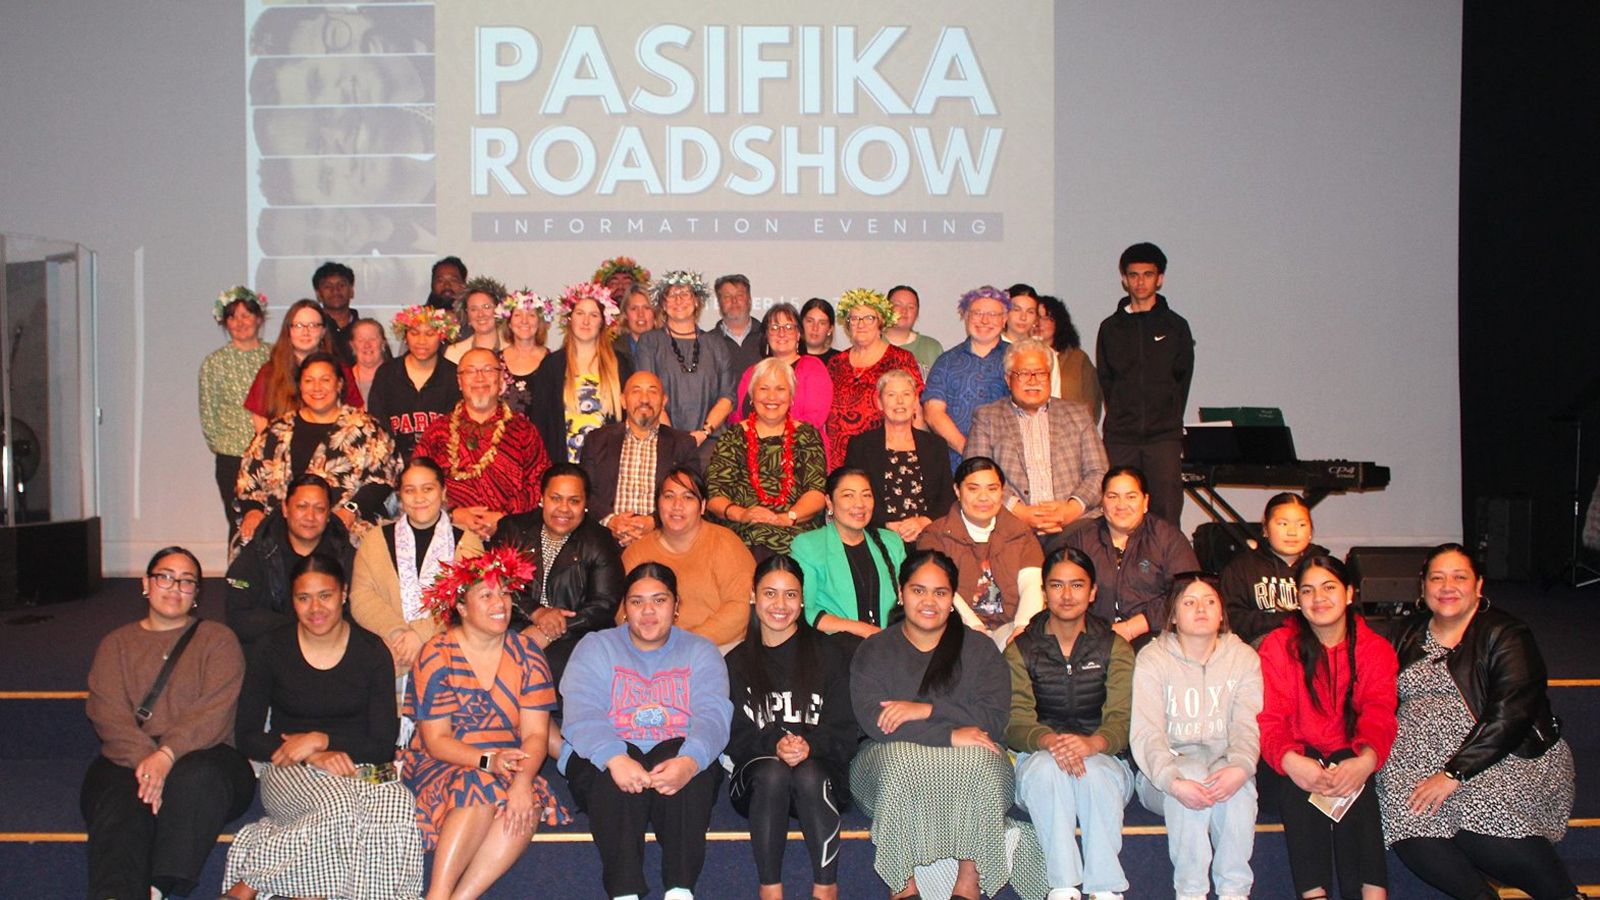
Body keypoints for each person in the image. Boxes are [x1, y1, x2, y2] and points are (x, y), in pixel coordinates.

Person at [1378, 544, 1579, 900]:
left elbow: (1511, 714)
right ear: (1422, 588)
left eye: (1460, 577)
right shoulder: (1404, 633)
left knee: (1479, 817)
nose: (1447, 587)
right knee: (1404, 813)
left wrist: (1453, 774)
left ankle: (1562, 895)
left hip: (1502, 752)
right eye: (1437, 578)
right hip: (1415, 754)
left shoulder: (1506, 633)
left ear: (1479, 585)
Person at [222, 555, 421, 900]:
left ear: (343, 595)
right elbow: (248, 736)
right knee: (340, 807)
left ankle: (271, 870)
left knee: (397, 806)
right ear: (292, 601)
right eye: (303, 598)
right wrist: (311, 756)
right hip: (289, 766)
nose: (316, 608)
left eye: (325, 595)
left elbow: (382, 744)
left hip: (363, 765)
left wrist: (321, 740)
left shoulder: (372, 651)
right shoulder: (271, 649)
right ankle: (248, 884)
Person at [81, 547, 255, 900]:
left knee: (197, 779)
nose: (175, 587)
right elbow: (107, 712)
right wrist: (149, 760)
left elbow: (215, 711)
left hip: (208, 754)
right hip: (131, 754)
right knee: (119, 794)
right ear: (146, 584)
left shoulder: (218, 640)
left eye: (187, 581)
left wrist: (168, 755)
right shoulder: (116, 644)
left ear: (197, 594)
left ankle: (156, 889)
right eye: (165, 577)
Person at [559, 562, 734, 900]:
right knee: (614, 774)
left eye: (659, 600)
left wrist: (690, 760)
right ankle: (625, 894)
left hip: (675, 754)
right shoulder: (596, 646)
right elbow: (581, 711)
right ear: (624, 607)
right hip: (607, 756)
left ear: (677, 606)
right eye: (637, 601)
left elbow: (713, 715)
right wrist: (614, 757)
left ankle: (680, 890)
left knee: (684, 760)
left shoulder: (702, 651)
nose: (648, 611)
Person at [400, 546, 565, 900]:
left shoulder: (528, 654)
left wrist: (523, 783)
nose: (500, 603)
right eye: (486, 594)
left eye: (505, 593)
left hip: (511, 761)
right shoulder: (436, 654)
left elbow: (536, 734)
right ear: (460, 607)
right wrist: (490, 760)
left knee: (526, 803)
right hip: (442, 762)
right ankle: (438, 894)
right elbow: (437, 741)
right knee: (482, 782)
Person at [850, 549, 1014, 900]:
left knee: (982, 758)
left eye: (940, 593)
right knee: (900, 761)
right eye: (918, 590)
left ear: (952, 598)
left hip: (968, 766)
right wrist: (950, 733)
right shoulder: (875, 650)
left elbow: (995, 720)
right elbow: (878, 724)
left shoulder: (980, 649)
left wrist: (925, 710)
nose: (929, 601)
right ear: (901, 592)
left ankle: (968, 882)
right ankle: (903, 885)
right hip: (882, 763)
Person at [1257, 556, 1397, 900]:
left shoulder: (1375, 649)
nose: (1318, 598)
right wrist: (1291, 760)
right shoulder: (1278, 645)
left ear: (1349, 593)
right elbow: (1269, 719)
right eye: (1308, 590)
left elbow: (1379, 714)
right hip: (1285, 766)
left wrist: (1365, 762)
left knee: (1354, 775)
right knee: (1301, 781)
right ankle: (1314, 895)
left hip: (1349, 757)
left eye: (1329, 587)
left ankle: (1371, 894)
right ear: (1298, 600)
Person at [725, 555, 858, 900]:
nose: (779, 605)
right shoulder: (736, 663)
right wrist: (776, 744)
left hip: (820, 779)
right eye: (770, 594)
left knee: (807, 773)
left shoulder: (830, 653)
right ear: (753, 596)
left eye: (790, 595)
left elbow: (846, 728)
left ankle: (825, 888)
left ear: (802, 600)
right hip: (759, 784)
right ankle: (770, 889)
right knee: (773, 772)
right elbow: (734, 736)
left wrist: (809, 746)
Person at [1006, 546, 1135, 900]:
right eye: (1056, 585)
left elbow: (1122, 720)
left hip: (1105, 757)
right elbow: (1013, 720)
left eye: (1077, 586)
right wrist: (1049, 741)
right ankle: (1063, 885)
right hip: (1037, 759)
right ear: (1044, 593)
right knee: (1049, 769)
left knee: (1092, 773)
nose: (1066, 595)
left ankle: (1105, 887)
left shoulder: (1115, 648)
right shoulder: (1020, 649)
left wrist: (1092, 744)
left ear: (1093, 592)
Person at [1130, 573, 1263, 900]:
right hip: (1160, 780)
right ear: (1173, 616)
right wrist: (1172, 781)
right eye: (1189, 602)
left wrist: (1241, 767)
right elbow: (1146, 733)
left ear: (1222, 613)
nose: (1201, 609)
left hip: (1221, 767)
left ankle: (1235, 891)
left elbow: (1248, 724)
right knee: (1190, 775)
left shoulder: (1243, 657)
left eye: (1210, 601)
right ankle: (1191, 892)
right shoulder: (1153, 658)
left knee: (1240, 789)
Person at [236, 352, 400, 545]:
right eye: (309, 380)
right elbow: (248, 479)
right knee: (249, 545)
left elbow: (382, 480)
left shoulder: (367, 428)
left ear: (339, 384)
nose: (317, 387)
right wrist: (253, 511)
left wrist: (351, 510)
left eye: (325, 380)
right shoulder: (277, 430)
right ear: (300, 386)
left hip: (344, 526)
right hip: (281, 530)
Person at [489, 464, 625, 685]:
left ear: (585, 505)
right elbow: (495, 582)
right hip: (514, 625)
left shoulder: (599, 540)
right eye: (556, 498)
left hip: (576, 635)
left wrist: (550, 630)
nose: (564, 508)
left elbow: (604, 604)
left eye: (574, 501)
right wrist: (536, 613)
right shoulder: (512, 529)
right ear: (542, 498)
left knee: (549, 669)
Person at [966, 338, 1109, 547]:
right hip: (1011, 527)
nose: (1033, 380)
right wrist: (1020, 512)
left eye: (1040, 373)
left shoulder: (1078, 415)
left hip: (1075, 525)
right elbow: (974, 474)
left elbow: (1099, 472)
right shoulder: (988, 417)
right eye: (1023, 373)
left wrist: (1071, 509)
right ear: (1008, 379)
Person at [350, 458, 485, 673]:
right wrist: (399, 633)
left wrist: (419, 636)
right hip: (388, 653)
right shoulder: (376, 539)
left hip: (451, 660)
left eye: (428, 489)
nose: (419, 498)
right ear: (400, 497)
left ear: (443, 492)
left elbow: (468, 602)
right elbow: (361, 596)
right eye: (410, 491)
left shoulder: (467, 542)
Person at [1095, 242, 1195, 524]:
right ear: (1124, 279)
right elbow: (1107, 380)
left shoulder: (1176, 326)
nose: (1140, 282)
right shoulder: (1110, 328)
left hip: (1162, 438)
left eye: (1148, 274)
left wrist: (1168, 419)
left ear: (1159, 279)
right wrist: (1121, 417)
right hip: (1121, 437)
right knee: (1119, 512)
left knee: (1165, 511)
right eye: (1134, 275)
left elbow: (1182, 379)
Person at [414, 347, 550, 542]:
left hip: (512, 540)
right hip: (449, 540)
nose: (480, 378)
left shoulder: (524, 431)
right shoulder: (437, 432)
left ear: (501, 379)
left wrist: (504, 517)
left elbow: (540, 483)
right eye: (470, 371)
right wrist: (453, 513)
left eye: (488, 370)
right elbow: (417, 482)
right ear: (459, 382)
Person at [917, 457, 1045, 649]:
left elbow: (1031, 585)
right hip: (955, 628)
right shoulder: (935, 536)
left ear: (1002, 492)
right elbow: (940, 589)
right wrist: (974, 626)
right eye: (973, 489)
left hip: (1009, 627)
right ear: (957, 491)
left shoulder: (1021, 534)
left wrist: (1022, 628)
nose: (983, 497)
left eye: (992, 489)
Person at [706, 357, 828, 558]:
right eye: (763, 389)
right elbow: (714, 497)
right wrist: (743, 514)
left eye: (780, 389)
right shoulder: (733, 436)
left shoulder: (807, 435)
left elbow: (816, 495)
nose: (772, 397)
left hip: (795, 529)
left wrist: (787, 517)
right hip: (742, 529)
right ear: (752, 396)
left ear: (791, 396)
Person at [622, 466, 756, 650]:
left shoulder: (725, 543)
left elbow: (741, 606)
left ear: (702, 507)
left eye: (688, 497)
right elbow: (622, 610)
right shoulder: (636, 552)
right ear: (658, 504)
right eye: (669, 496)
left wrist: (687, 644)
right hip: (650, 649)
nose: (677, 505)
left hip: (718, 648)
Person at [1066, 466, 1200, 647]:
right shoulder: (1082, 539)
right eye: (1113, 496)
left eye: (1131, 497)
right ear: (1102, 502)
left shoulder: (1168, 538)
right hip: (1093, 640)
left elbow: (1188, 592)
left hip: (1157, 638)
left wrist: (1135, 626)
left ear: (1145, 502)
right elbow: (1065, 590)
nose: (1121, 505)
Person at [226, 474, 355, 652]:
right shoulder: (259, 551)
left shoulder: (345, 554)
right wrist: (301, 625)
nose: (310, 517)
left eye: (319, 509)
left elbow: (359, 613)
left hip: (332, 648)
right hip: (271, 650)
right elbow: (238, 616)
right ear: (285, 509)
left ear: (328, 515)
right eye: (302, 507)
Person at [579, 371, 700, 548]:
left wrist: (654, 521)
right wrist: (611, 521)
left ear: (664, 401)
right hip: (605, 540)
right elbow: (584, 490)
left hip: (662, 540)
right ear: (623, 401)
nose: (644, 399)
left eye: (652, 391)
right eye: (636, 391)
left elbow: (693, 496)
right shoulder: (597, 440)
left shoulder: (683, 444)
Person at [792, 467, 907, 639]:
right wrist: (864, 630)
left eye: (866, 495)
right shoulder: (809, 545)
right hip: (834, 644)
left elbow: (908, 597)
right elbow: (804, 609)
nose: (859, 504)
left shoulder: (891, 542)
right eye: (848, 495)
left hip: (888, 646)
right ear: (829, 502)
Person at [843, 368, 956, 543]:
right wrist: (887, 525)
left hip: (927, 535)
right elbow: (852, 494)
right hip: (877, 535)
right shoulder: (861, 445)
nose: (900, 401)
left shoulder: (936, 445)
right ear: (879, 402)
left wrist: (923, 521)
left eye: (906, 394)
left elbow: (947, 496)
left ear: (915, 401)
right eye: (891, 395)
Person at [528, 281, 634, 464]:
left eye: (593, 315)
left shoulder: (620, 364)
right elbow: (540, 422)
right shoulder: (552, 366)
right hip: (563, 469)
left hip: (607, 469)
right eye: (580, 313)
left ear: (603, 322)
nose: (586, 321)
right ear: (570, 319)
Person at [635, 269, 736, 456]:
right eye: (672, 295)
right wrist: (675, 438)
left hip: (711, 443)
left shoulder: (716, 343)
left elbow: (727, 396)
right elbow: (647, 395)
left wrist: (703, 433)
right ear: (663, 305)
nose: (679, 300)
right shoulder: (650, 342)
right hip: (664, 442)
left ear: (696, 301)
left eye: (685, 294)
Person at [200, 286, 272, 540]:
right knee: (241, 524)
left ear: (259, 318)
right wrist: (229, 448)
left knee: (274, 522)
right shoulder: (215, 362)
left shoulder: (275, 355)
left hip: (273, 456)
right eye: (233, 316)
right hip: (232, 457)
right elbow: (209, 416)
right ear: (225, 322)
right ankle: (239, 580)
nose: (240, 322)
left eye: (246, 315)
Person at [824, 287, 924, 470]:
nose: (861, 324)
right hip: (840, 462)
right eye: (854, 318)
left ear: (881, 323)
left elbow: (916, 411)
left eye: (869, 318)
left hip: (886, 458)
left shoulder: (901, 359)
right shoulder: (835, 363)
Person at [1221, 493, 1329, 647]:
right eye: (1283, 524)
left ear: (1311, 530)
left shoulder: (1326, 567)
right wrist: (1289, 619)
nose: (1292, 532)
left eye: (1302, 525)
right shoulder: (1241, 568)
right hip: (1261, 650)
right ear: (1265, 528)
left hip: (1318, 645)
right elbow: (1232, 618)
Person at [923, 285, 1013, 468]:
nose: (985, 320)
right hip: (955, 463)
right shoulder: (946, 361)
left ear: (1004, 320)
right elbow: (933, 413)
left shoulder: (1018, 358)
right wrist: (968, 452)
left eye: (993, 314)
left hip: (1009, 463)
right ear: (966, 316)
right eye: (977, 313)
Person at [731, 302, 834, 460]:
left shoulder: (813, 367)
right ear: (766, 336)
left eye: (788, 327)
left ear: (798, 334)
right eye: (774, 327)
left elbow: (814, 419)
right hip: (752, 458)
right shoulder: (752, 372)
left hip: (800, 457)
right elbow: (737, 416)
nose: (781, 333)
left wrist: (773, 441)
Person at [243, 298, 363, 432]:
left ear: (323, 331)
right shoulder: (270, 371)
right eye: (299, 326)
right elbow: (260, 419)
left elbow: (357, 413)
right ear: (288, 330)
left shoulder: (341, 369)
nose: (305, 332)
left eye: (313, 325)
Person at [366, 303, 460, 462]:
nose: (421, 341)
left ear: (442, 336)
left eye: (430, 334)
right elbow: (376, 424)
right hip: (393, 463)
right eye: (414, 333)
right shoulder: (387, 373)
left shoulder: (453, 375)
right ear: (405, 335)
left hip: (440, 465)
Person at [1034, 294, 1101, 422]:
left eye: (1047, 318)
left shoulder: (1078, 359)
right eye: (1036, 316)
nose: (1039, 323)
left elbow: (1092, 402)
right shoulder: (1018, 358)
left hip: (1071, 433)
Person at [498, 287, 554, 418]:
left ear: (539, 322)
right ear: (509, 324)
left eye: (531, 315)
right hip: (503, 435)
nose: (524, 321)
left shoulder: (553, 362)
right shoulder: (495, 362)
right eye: (517, 315)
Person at [445, 276, 511, 364]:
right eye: (473, 309)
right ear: (466, 314)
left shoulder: (513, 346)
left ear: (499, 309)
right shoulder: (454, 353)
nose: (480, 314)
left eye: (486, 307)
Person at [883, 284, 944, 375]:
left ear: (917, 313)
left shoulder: (932, 348)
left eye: (911, 307)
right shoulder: (871, 343)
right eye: (897, 305)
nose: (904, 311)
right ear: (886, 309)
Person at [312, 261, 361, 365]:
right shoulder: (311, 331)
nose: (335, 290)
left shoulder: (365, 331)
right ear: (318, 294)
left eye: (341, 285)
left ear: (351, 290)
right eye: (328, 286)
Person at [715, 272, 764, 375]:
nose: (734, 301)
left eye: (739, 295)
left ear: (749, 300)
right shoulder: (708, 342)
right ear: (719, 303)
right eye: (727, 297)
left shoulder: (767, 337)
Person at [347, 317, 393, 404]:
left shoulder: (399, 377)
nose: (367, 345)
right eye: (361, 340)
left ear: (383, 343)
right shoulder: (345, 380)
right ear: (352, 346)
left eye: (372, 339)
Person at [615, 283, 657, 358]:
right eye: (634, 308)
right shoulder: (613, 350)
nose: (640, 314)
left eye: (646, 308)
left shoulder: (669, 347)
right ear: (625, 314)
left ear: (655, 312)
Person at [801, 297, 841, 364]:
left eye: (822, 323)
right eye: (810, 321)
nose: (815, 328)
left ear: (830, 329)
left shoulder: (840, 361)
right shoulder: (789, 358)